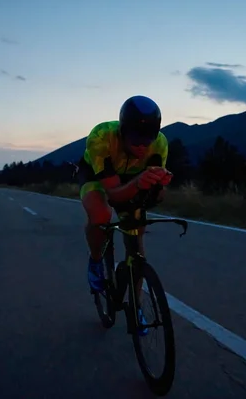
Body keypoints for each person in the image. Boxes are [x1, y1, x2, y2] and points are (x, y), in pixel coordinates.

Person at [76, 95, 172, 332]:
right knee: (100, 216)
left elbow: (157, 198)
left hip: (131, 178)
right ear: (122, 131)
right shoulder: (101, 137)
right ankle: (96, 261)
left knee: (135, 246)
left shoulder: (160, 143)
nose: (141, 147)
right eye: (135, 140)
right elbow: (113, 195)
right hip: (97, 176)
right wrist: (140, 183)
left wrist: (159, 187)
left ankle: (136, 307)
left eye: (147, 140)